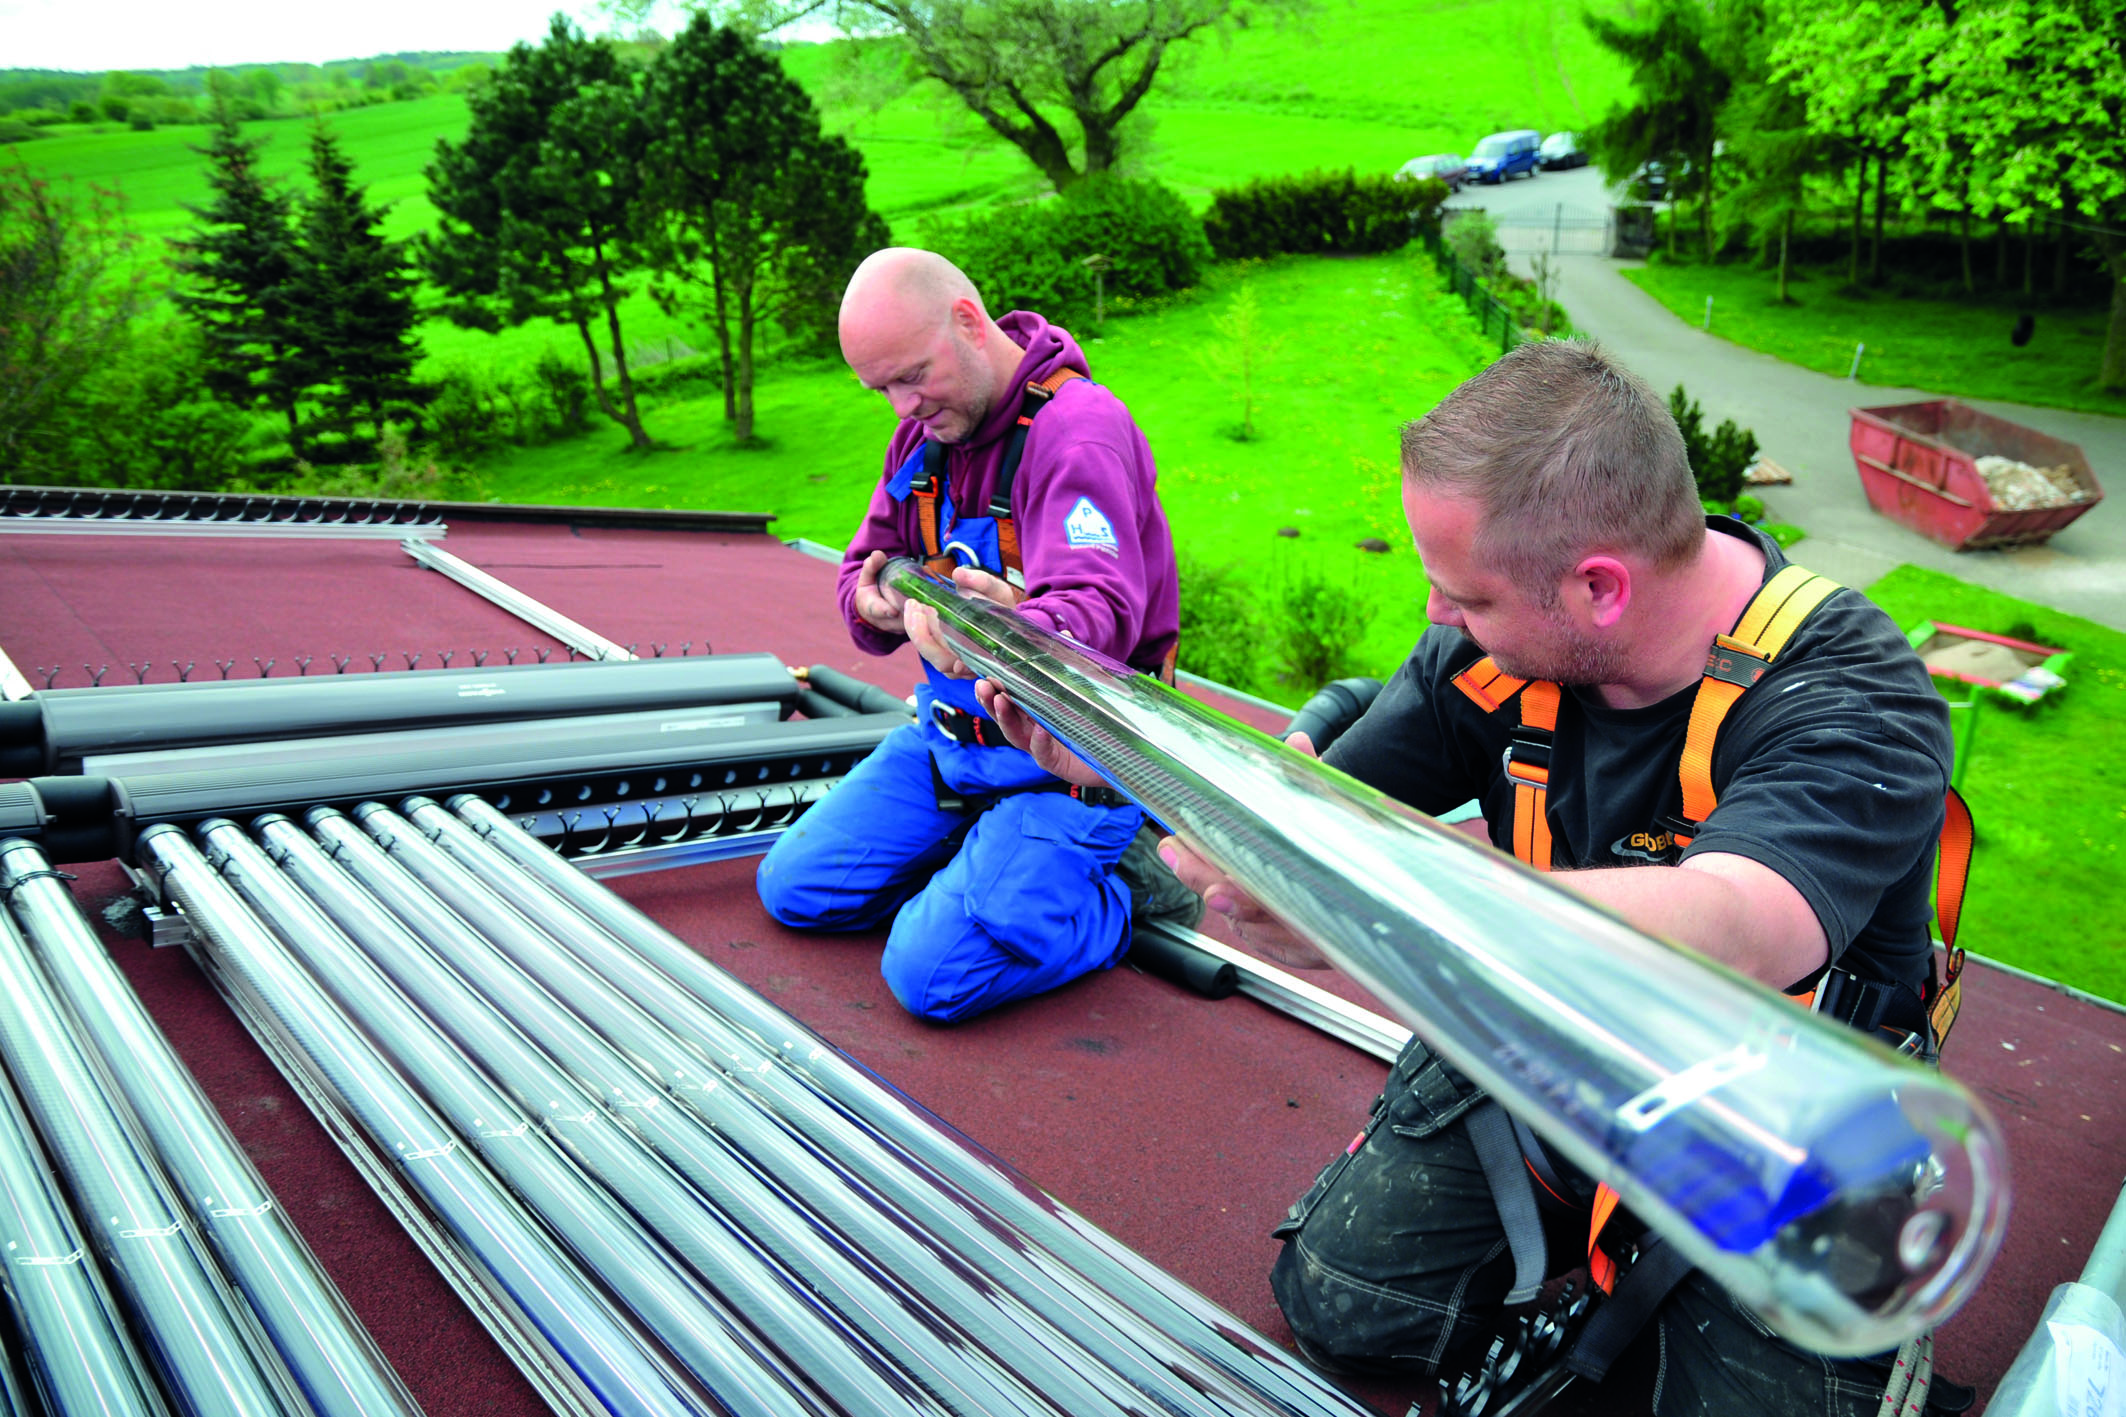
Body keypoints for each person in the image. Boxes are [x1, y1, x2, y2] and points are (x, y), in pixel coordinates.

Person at [982, 339, 1956, 1414]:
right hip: (1564, 1029)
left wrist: (1377, 902)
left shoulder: (1849, 695)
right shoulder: (1495, 653)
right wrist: (1115, 755)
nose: (1438, 617)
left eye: (1467, 596)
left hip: (1788, 1116)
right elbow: (1309, 817)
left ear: (1597, 586)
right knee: (1340, 1302)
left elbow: (1736, 925)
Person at [756, 247, 1181, 1024]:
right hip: (953, 747)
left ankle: (1128, 889)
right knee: (795, 888)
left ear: (968, 322)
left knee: (931, 976)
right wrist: (880, 601)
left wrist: (1000, 630)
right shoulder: (926, 441)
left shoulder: (1078, 432)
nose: (901, 406)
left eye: (912, 376)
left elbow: (1099, 610)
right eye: (881, 389)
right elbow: (861, 567)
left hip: (1066, 769)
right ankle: (988, 867)